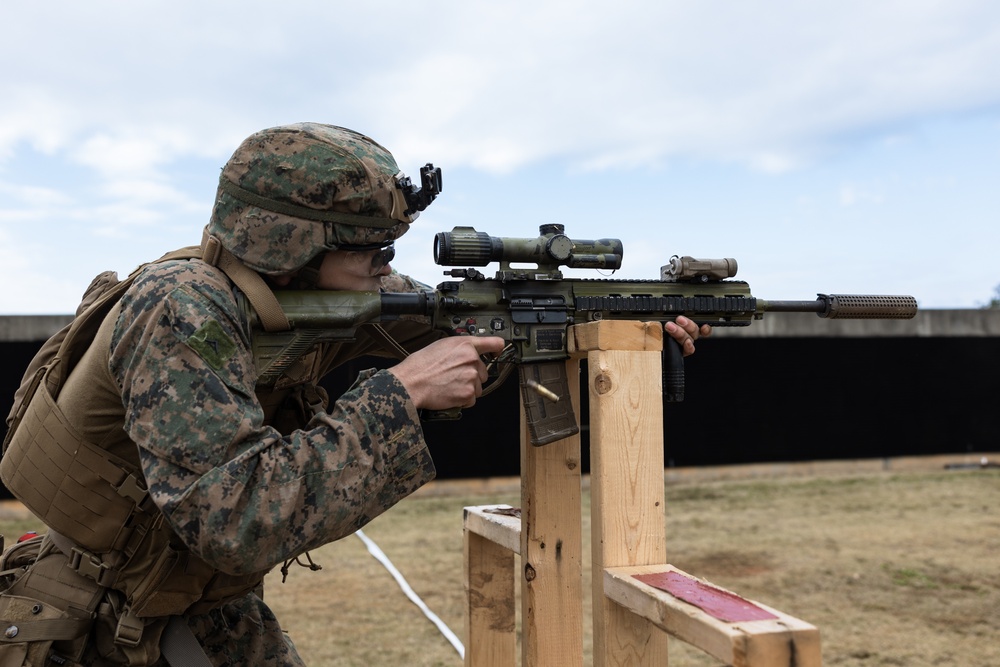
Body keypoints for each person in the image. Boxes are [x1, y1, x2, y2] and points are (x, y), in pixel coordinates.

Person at [0, 123, 710, 666]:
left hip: (202, 604)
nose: (386, 267)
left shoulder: (330, 291)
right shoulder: (180, 308)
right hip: (94, 620)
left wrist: (610, 322)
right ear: (288, 246)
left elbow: (474, 336)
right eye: (370, 251)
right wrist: (399, 395)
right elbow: (239, 517)